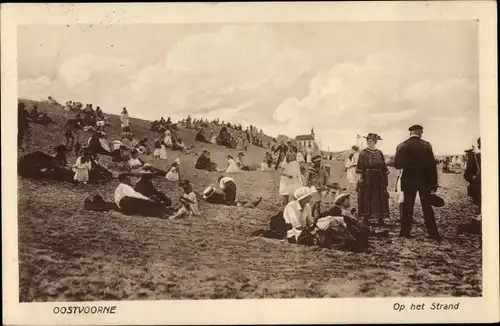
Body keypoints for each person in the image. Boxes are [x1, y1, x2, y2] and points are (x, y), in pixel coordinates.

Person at [394, 125, 442, 242]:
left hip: (408, 180)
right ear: (420, 133)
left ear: (410, 133)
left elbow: (397, 164)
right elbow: (432, 166)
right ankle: (433, 233)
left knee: (407, 206)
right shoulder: (426, 145)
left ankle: (405, 232)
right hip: (424, 181)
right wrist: (433, 184)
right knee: (427, 207)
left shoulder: (402, 146)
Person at [356, 133, 390, 226]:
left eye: (371, 141)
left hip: (379, 178)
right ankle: (366, 218)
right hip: (367, 178)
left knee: (380, 197)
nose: (369, 142)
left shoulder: (379, 153)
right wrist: (360, 179)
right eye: (368, 141)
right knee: (367, 197)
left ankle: (380, 218)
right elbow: (359, 168)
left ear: (375, 142)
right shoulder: (363, 153)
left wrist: (385, 180)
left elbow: (384, 167)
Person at [464, 138, 481, 211]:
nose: (478, 145)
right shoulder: (478, 156)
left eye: (479, 143)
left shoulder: (478, 156)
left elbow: (469, 174)